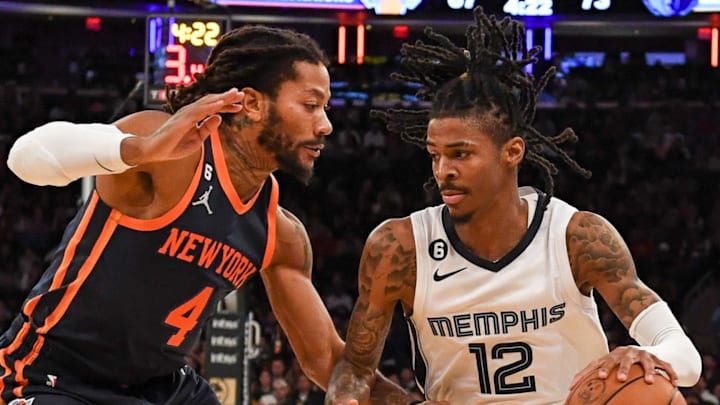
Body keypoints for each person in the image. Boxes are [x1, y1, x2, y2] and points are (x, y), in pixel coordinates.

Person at [1, 25, 404, 404]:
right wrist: (142, 149)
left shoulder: (279, 234)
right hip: (56, 374)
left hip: (162, 388)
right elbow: (26, 158)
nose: (327, 125)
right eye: (311, 105)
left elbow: (329, 362)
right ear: (251, 103)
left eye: (326, 109)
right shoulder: (168, 152)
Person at [325, 7, 702, 405]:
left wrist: (650, 356)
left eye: (460, 154)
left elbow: (685, 355)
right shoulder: (399, 248)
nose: (443, 170)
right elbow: (356, 369)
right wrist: (345, 395)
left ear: (512, 151)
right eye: (435, 155)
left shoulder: (576, 237)